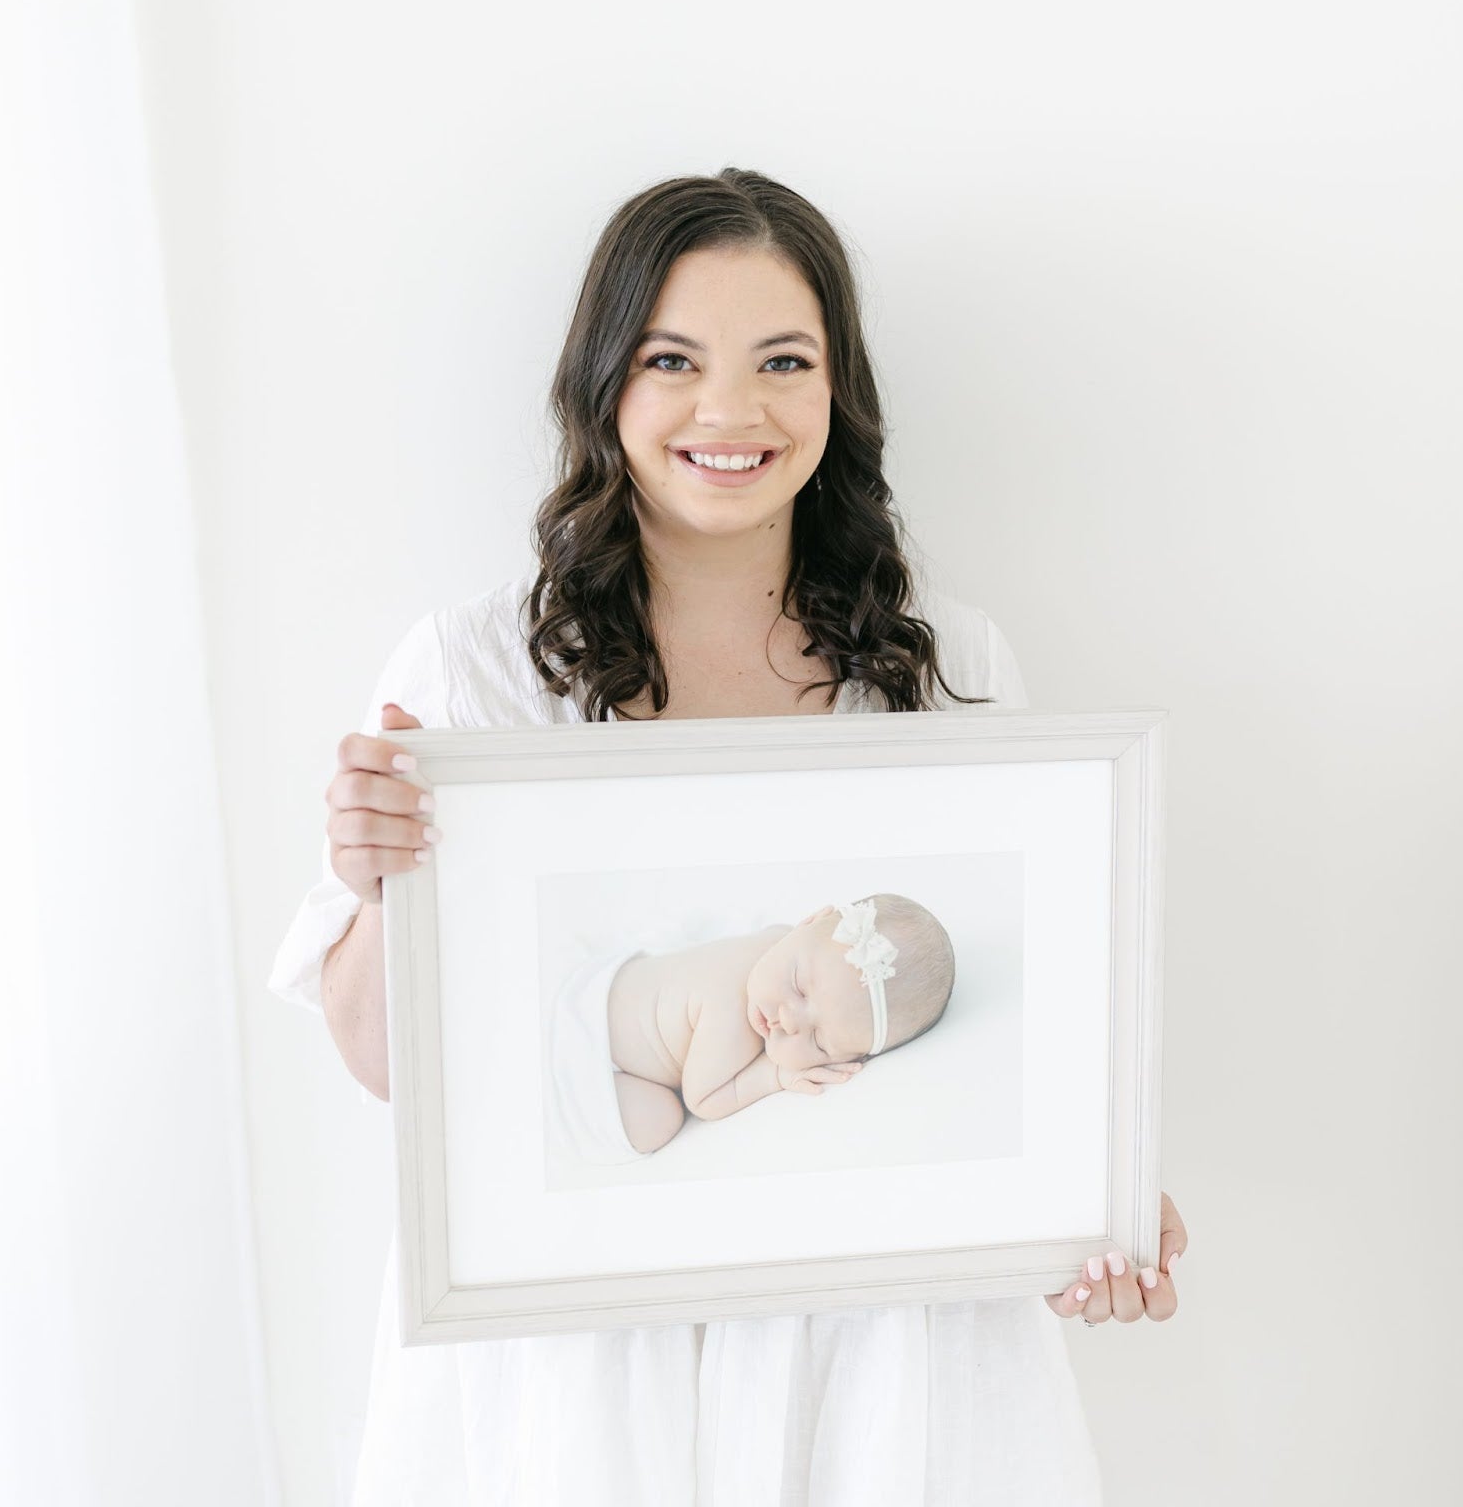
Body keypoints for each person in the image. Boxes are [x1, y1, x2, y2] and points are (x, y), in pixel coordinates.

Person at [271, 167, 1187, 1504]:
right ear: (606, 387)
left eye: (783, 361)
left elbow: (1017, 1040)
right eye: (673, 360)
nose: (730, 410)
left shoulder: (954, 671)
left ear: (838, 395)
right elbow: (395, 1070)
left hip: (878, 1351)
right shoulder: (475, 670)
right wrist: (371, 888)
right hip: (576, 1359)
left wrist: (1086, 1205)